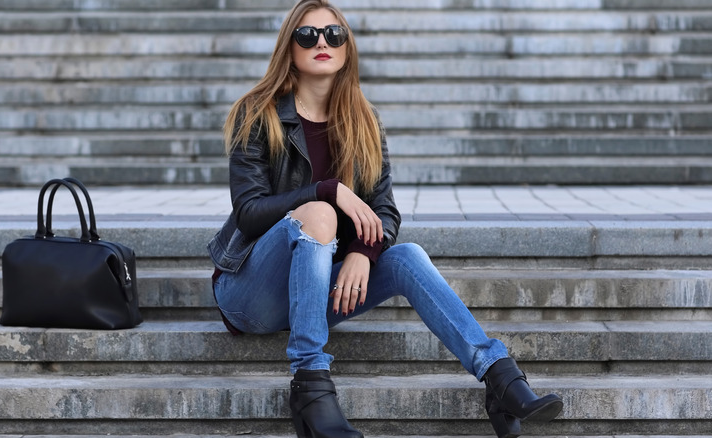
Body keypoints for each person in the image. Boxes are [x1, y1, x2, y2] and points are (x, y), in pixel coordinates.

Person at [207, 1, 563, 437]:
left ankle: (500, 377)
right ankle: (310, 385)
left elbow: (385, 211)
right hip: (250, 293)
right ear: (289, 47)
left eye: (334, 34)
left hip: (318, 286)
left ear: (347, 47)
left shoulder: (364, 122)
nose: (322, 42)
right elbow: (247, 213)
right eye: (308, 35)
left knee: (407, 256)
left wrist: (362, 252)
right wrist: (325, 191)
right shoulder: (257, 113)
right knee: (319, 213)